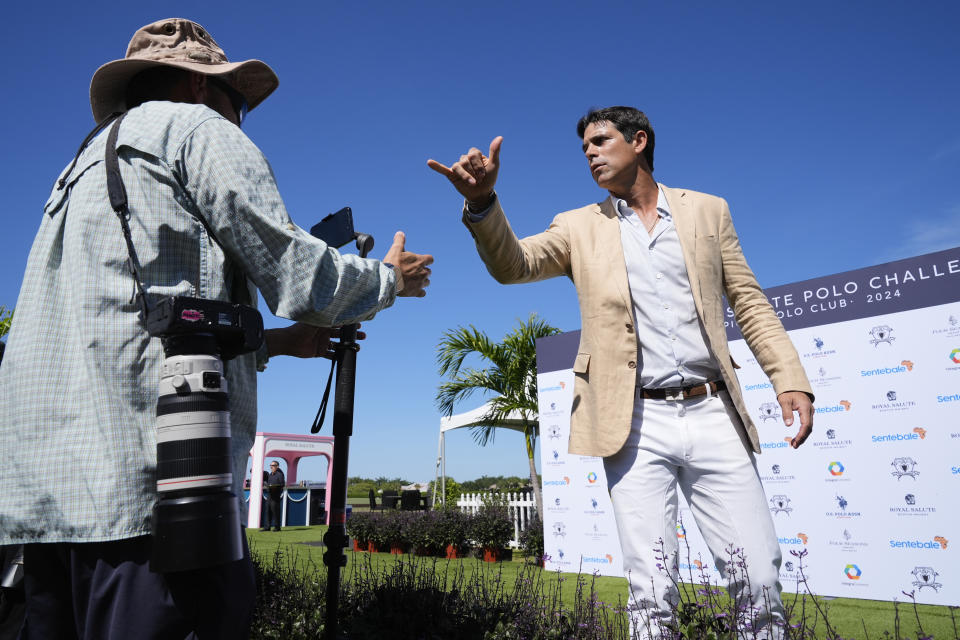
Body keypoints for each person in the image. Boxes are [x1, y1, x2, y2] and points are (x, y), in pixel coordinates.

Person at [0, 18, 432, 639]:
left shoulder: (80, 166)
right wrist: (388, 279)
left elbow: (130, 331)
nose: (240, 118)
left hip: (53, 506)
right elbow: (300, 279)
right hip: (157, 500)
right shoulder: (197, 127)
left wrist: (275, 344)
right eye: (239, 102)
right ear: (199, 87)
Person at [428, 106, 813, 639]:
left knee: (759, 577)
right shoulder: (577, 225)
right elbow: (512, 265)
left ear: (639, 141)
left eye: (600, 140)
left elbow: (748, 301)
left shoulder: (708, 211)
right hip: (634, 422)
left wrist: (788, 377)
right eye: (583, 146)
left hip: (713, 410)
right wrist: (482, 202)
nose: (589, 152)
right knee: (651, 589)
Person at [262, 461, 286, 532]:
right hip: (269, 495)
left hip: (275, 495)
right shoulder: (270, 475)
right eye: (270, 465)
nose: (271, 466)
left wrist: (275, 487)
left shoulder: (280, 475)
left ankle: (277, 527)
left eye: (273, 465)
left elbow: (282, 484)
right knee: (268, 511)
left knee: (275, 512)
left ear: (277, 466)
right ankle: (267, 527)